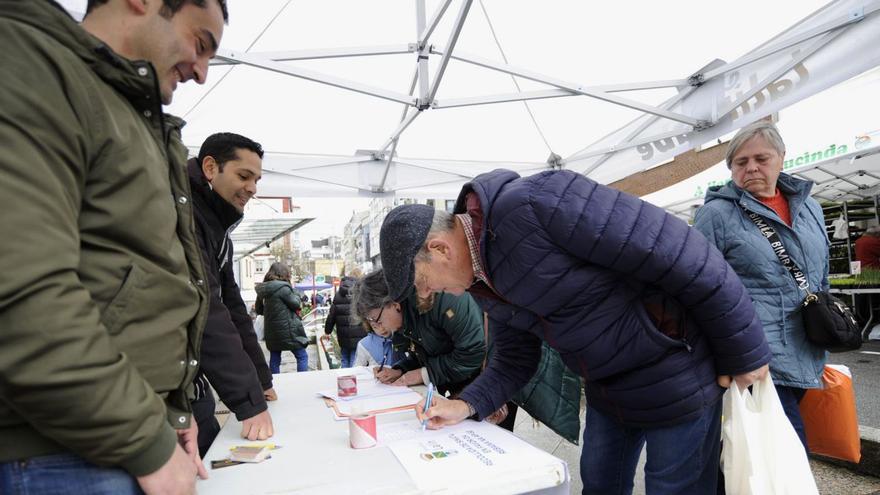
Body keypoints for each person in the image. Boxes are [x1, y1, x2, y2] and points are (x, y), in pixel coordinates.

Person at [379, 173, 772, 493]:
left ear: (440, 249)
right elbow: (514, 358)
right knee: (599, 486)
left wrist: (745, 351)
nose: (427, 293)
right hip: (606, 388)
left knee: (673, 489)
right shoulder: (482, 281)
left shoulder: (535, 203)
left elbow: (682, 251)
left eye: (423, 281)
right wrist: (465, 404)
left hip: (675, 371)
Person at [0, 0, 226, 493]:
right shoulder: (35, 64)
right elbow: (22, 290)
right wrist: (147, 439)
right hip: (59, 451)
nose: (202, 72)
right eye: (201, 43)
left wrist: (171, 413)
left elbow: (136, 276)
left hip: (108, 436)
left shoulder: (128, 111)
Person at [694, 121, 829, 450]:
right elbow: (699, 290)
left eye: (761, 158)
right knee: (787, 457)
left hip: (807, 349)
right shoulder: (716, 215)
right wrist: (729, 354)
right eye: (741, 162)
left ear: (781, 158)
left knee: (754, 457)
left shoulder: (809, 207)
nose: (751, 167)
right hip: (755, 358)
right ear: (731, 169)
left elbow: (821, 273)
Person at [187, 133, 276, 457]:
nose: (252, 188)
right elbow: (207, 309)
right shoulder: (186, 218)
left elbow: (235, 307)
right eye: (243, 176)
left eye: (256, 179)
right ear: (210, 167)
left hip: (192, 387)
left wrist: (261, 379)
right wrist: (248, 401)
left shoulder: (218, 228)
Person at [352, 270, 486, 397]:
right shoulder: (405, 316)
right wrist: (400, 371)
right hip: (460, 384)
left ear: (394, 304)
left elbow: (472, 353)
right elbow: (425, 353)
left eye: (377, 320)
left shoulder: (439, 297)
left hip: (488, 381)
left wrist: (422, 375)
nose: (379, 328)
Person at [256, 263, 310, 373]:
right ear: (283, 273)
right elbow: (296, 304)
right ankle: (303, 381)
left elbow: (259, 310)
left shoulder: (264, 289)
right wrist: (294, 291)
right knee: (302, 356)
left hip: (271, 331)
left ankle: (275, 384)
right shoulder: (283, 288)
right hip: (288, 330)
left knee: (275, 359)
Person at [324, 276, 366, 367]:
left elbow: (331, 316)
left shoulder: (338, 295)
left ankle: (344, 378)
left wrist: (327, 330)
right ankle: (352, 378)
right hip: (358, 335)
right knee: (354, 359)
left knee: (344, 358)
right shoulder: (360, 294)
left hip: (343, 335)